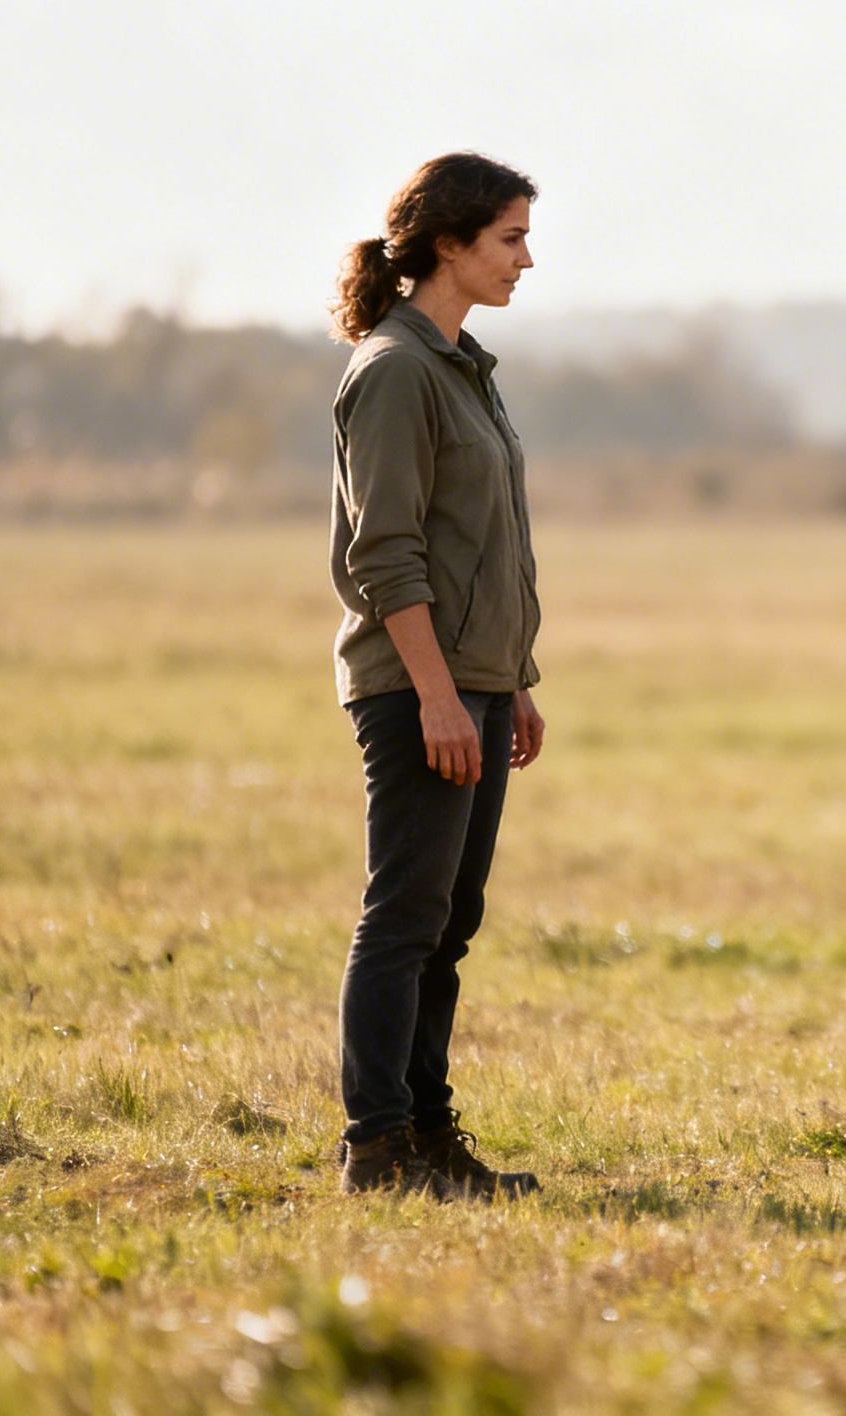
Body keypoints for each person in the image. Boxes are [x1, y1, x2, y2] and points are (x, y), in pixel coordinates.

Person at [326, 152, 546, 1198]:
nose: (526, 259)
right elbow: (387, 556)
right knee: (406, 915)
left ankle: (429, 1135)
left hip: (476, 681)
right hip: (419, 686)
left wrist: (514, 679)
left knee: (449, 920)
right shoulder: (397, 369)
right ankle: (377, 1148)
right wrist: (440, 695)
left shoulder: (463, 366)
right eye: (508, 238)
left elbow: (484, 542)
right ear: (450, 244)